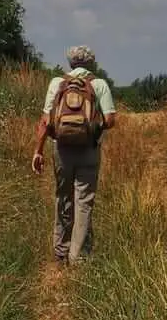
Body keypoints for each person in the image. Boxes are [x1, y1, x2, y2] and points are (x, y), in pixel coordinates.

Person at [32, 45, 116, 265]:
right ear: (91, 63)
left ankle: (60, 252)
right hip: (88, 150)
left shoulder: (57, 84)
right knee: (84, 202)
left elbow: (45, 122)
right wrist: (91, 129)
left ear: (70, 63)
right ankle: (79, 258)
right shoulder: (99, 85)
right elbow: (110, 120)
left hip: (61, 150)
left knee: (63, 198)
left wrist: (38, 151)